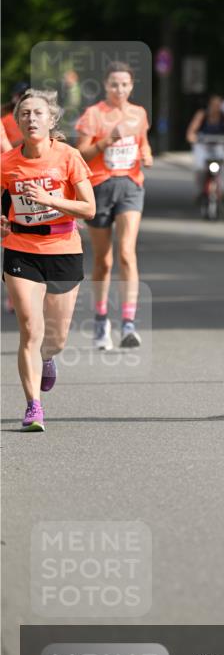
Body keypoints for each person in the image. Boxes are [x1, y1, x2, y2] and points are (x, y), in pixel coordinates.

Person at [1, 89, 95, 431]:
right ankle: (33, 407)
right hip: (21, 250)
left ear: (50, 119)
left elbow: (89, 208)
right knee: (29, 327)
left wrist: (49, 200)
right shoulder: (7, 162)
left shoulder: (68, 157)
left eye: (38, 113)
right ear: (17, 121)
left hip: (63, 249)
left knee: (56, 337)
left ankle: (48, 358)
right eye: (24, 114)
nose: (31, 119)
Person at [75, 61, 153, 349]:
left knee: (126, 253)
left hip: (131, 185)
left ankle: (129, 324)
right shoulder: (93, 115)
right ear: (106, 86)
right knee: (103, 261)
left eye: (124, 84)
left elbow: (143, 143)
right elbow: (81, 154)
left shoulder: (139, 114)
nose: (119, 89)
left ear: (131, 86)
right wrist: (108, 140)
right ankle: (100, 319)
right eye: (114, 84)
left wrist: (146, 154)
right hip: (99, 186)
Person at [186, 93, 224, 197]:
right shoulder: (202, 115)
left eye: (219, 105)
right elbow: (191, 132)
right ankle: (200, 190)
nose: (216, 107)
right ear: (210, 105)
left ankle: (222, 190)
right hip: (203, 146)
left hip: (219, 145)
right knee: (200, 168)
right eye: (214, 105)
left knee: (223, 167)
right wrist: (193, 138)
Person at [1, 81, 29, 149]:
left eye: (27, 95)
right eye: (21, 94)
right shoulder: (5, 119)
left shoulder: (37, 117)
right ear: (14, 97)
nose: (25, 98)